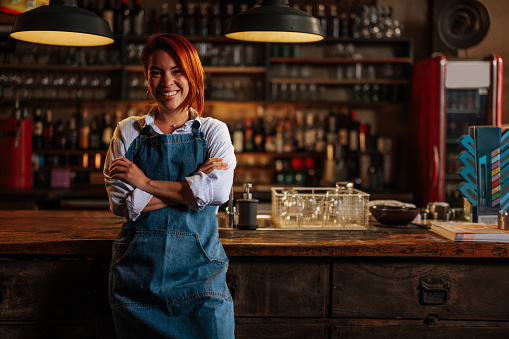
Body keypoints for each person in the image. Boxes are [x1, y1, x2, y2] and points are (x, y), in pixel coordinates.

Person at [103, 33, 236, 338]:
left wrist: (145, 183)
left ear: (193, 75)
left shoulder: (215, 131)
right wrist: (191, 191)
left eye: (177, 71)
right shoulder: (127, 131)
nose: (167, 82)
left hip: (202, 282)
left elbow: (217, 193)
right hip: (137, 282)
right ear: (147, 79)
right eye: (156, 72)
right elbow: (121, 203)